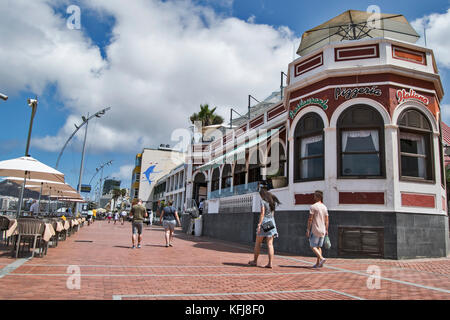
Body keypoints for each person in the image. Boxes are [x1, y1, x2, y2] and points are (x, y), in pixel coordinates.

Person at [248, 182, 280, 269]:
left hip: (264, 222)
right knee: (270, 244)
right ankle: (270, 263)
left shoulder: (263, 201)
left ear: (262, 194)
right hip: (271, 222)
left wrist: (259, 224)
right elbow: (272, 214)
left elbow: (262, 213)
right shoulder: (272, 202)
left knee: (258, 242)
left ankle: (255, 261)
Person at [306, 190, 329, 268]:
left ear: (317, 197)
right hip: (323, 230)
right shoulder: (324, 207)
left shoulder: (313, 206)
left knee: (312, 246)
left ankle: (322, 258)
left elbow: (310, 219)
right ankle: (318, 263)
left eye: (315, 196)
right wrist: (326, 229)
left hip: (315, 229)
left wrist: (308, 229)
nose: (314, 197)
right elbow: (327, 220)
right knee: (319, 247)